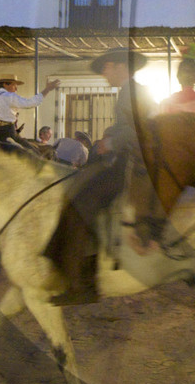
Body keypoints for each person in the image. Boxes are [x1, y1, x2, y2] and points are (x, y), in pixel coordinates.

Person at [50, 47, 155, 306]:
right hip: (125, 161)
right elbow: (128, 126)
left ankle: (85, 283)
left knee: (82, 202)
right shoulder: (130, 91)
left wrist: (111, 142)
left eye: (106, 67)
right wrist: (110, 134)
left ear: (121, 66)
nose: (104, 73)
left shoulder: (133, 91)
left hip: (129, 166)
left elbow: (140, 128)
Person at [0, 74, 59, 141]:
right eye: (14, 85)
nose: (16, 89)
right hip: (8, 134)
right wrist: (47, 90)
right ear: (5, 84)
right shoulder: (9, 96)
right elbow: (30, 103)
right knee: (32, 151)